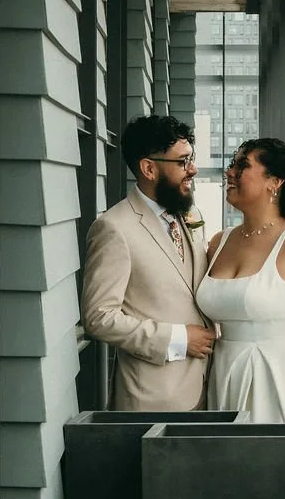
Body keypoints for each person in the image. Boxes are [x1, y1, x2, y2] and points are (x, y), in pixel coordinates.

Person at [198, 138, 285, 428]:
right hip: (225, 371)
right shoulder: (218, 241)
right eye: (231, 165)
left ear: (274, 182)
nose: (230, 173)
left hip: (284, 376)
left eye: (242, 166)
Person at [82, 115, 214, 410]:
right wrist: (178, 338)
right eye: (182, 162)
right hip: (152, 399)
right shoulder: (114, 228)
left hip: (208, 389)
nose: (192, 169)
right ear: (149, 168)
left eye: (190, 159)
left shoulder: (189, 215)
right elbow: (99, 317)